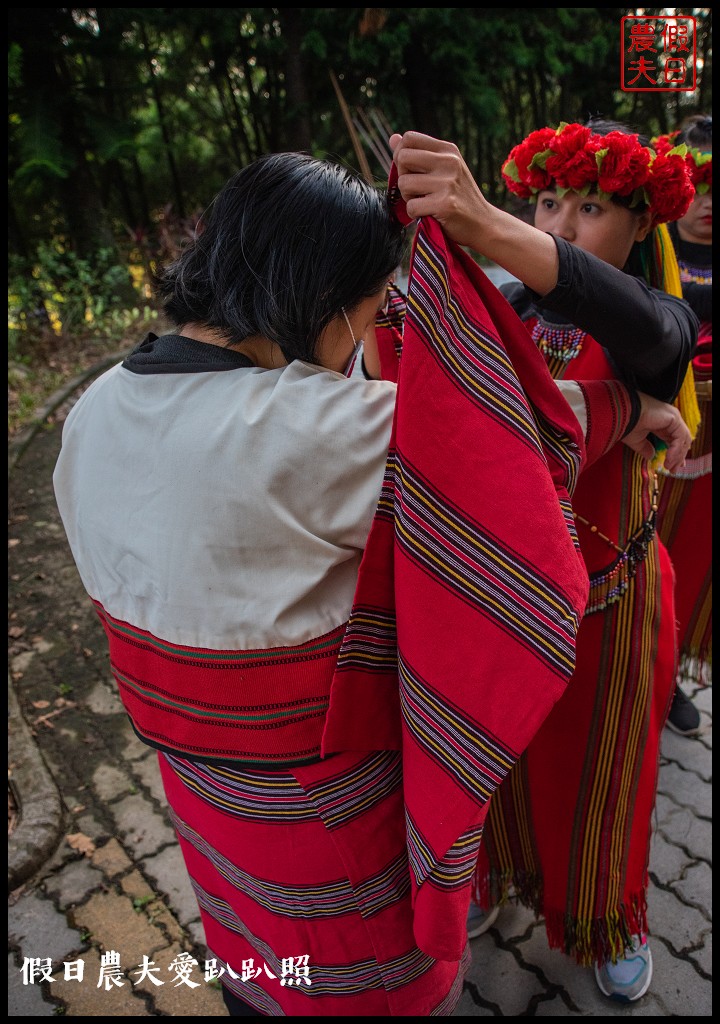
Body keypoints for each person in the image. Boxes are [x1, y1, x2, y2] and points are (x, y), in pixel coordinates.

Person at [52, 146, 692, 1016]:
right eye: (371, 307)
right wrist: (632, 409)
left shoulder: (92, 411)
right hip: (325, 820)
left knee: (258, 964)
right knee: (362, 985)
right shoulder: (318, 427)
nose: (370, 331)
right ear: (325, 297)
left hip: (201, 797)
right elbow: (500, 443)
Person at [390, 122, 699, 1004]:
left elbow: (639, 320)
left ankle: (606, 916)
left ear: (642, 226)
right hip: (505, 609)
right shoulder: (499, 312)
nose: (561, 225)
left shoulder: (657, 329)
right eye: (548, 201)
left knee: (604, 779)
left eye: (592, 207)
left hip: (611, 608)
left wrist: (488, 225)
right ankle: (498, 879)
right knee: (501, 766)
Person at [653, 115, 712, 736]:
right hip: (652, 433)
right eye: (700, 185)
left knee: (694, 567)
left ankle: (673, 679)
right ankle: (641, 677)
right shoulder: (647, 247)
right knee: (648, 562)